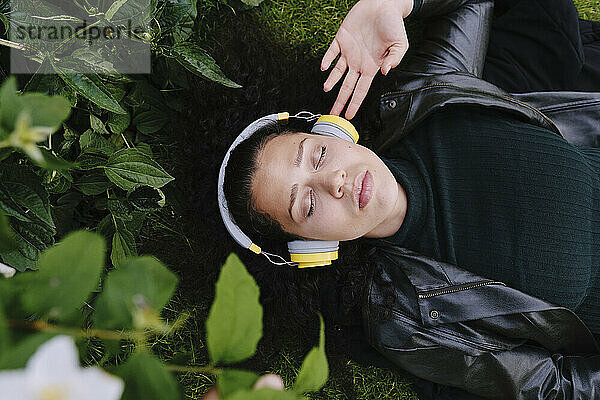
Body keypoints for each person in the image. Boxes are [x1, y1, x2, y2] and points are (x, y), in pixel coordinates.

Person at [221, 0, 600, 398]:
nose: (335, 180)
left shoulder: (425, 94)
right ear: (309, 248)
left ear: (335, 131)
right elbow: (552, 386)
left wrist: (396, 3)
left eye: (317, 154)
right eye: (306, 205)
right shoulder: (403, 318)